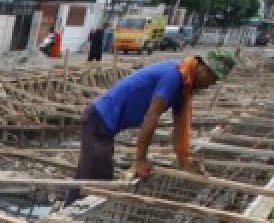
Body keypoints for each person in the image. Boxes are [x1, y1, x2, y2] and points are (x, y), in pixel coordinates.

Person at [65, 50, 238, 203]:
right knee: (98, 179)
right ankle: (70, 220)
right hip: (99, 119)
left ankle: (68, 214)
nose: (211, 84)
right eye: (213, 78)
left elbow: (179, 126)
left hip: (105, 125)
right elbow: (151, 116)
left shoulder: (184, 85)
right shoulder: (175, 75)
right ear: (204, 68)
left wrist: (184, 162)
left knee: (88, 174)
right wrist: (140, 160)